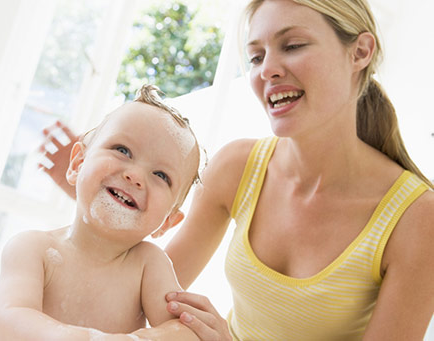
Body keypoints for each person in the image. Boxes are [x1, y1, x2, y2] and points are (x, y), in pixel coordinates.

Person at [40, 0, 434, 340]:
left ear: (360, 52)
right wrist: (97, 196)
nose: (267, 71)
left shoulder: (416, 218)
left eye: (292, 46)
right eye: (256, 56)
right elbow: (144, 294)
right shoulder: (238, 167)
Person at [0, 84, 202, 340]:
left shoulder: (148, 264)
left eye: (160, 175)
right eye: (123, 150)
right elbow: (9, 320)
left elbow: (186, 333)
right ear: (78, 163)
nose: (135, 176)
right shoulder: (34, 248)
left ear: (167, 221)